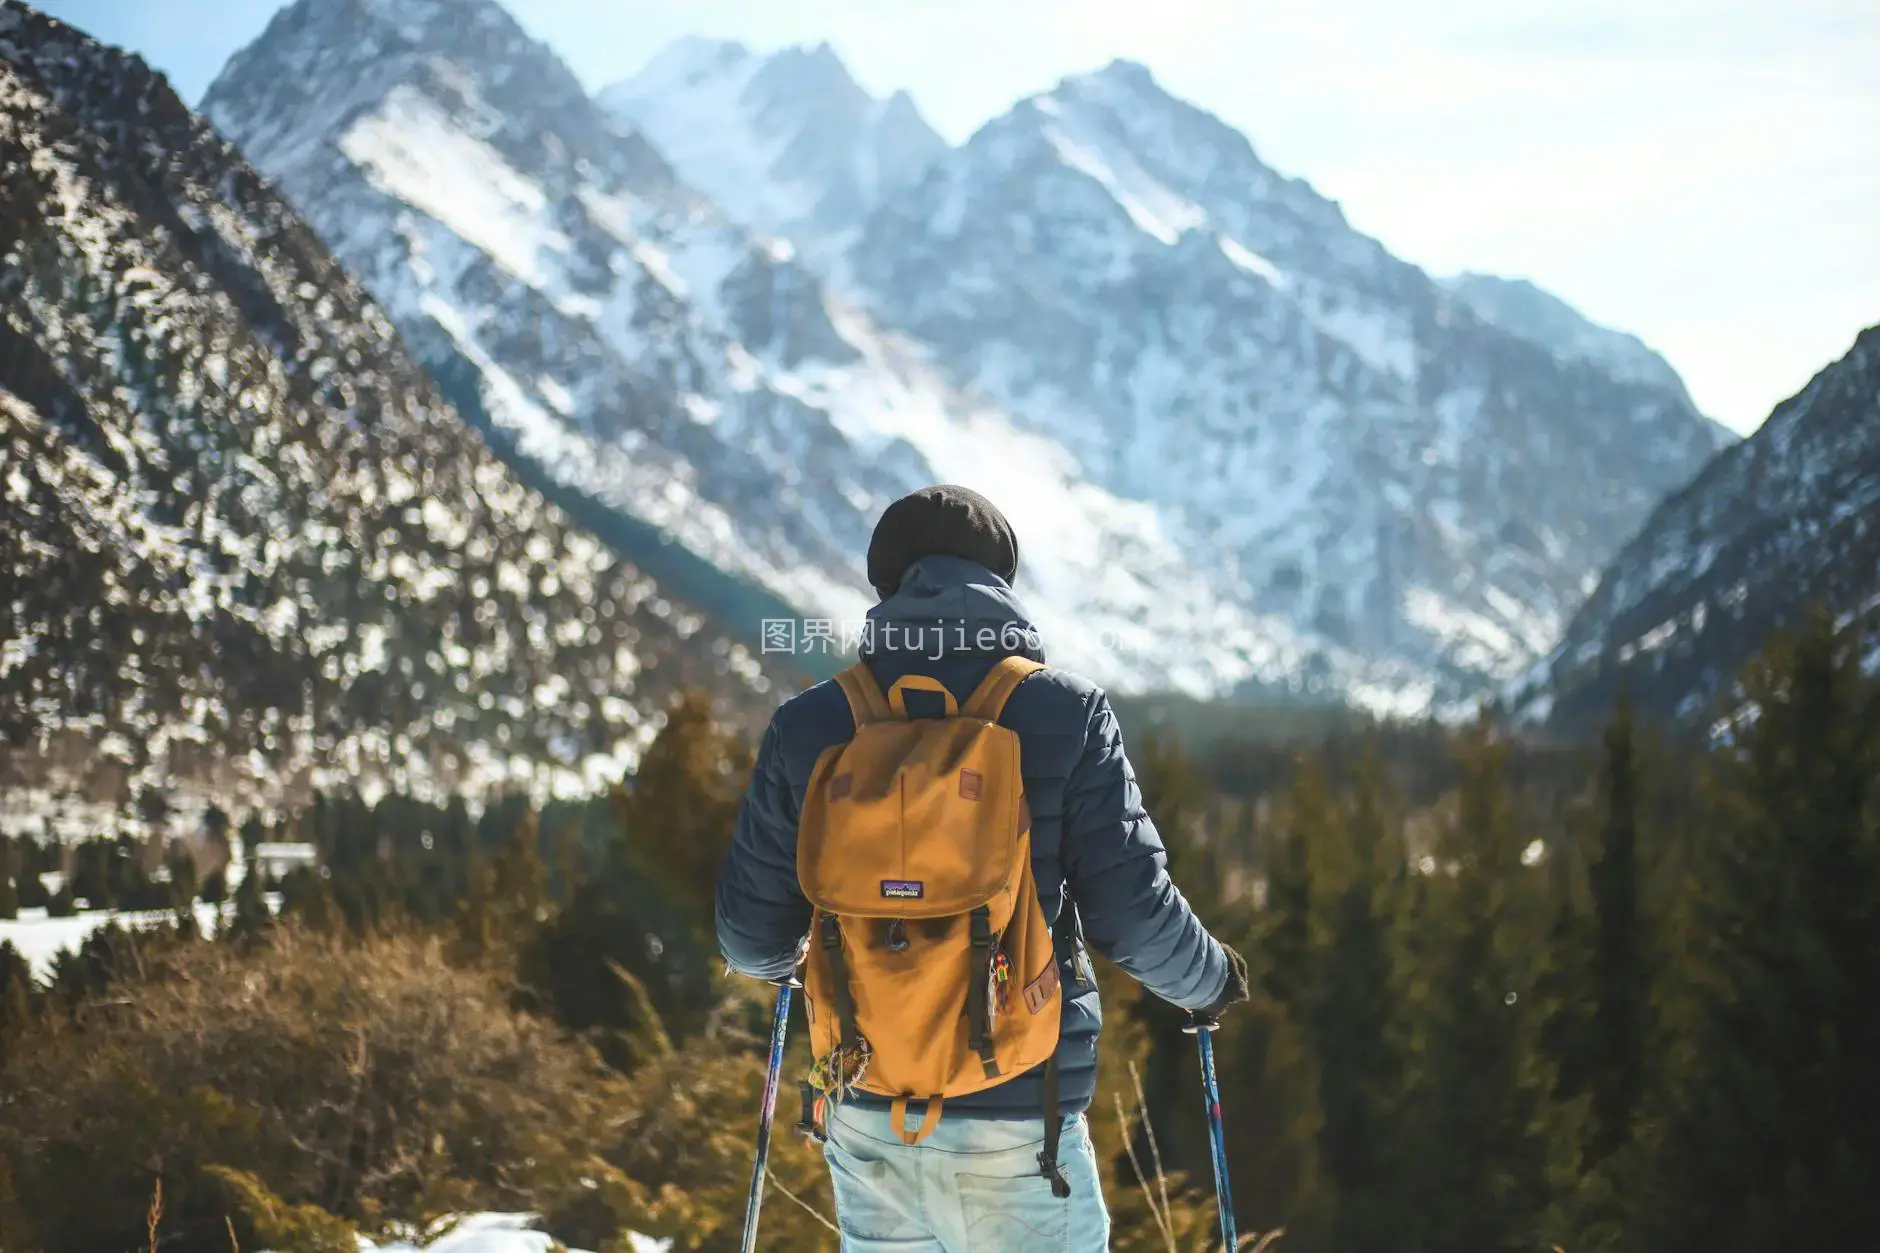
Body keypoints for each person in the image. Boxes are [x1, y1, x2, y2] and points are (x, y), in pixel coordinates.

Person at [716, 484, 1249, 1251]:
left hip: (869, 1109)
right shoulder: (1065, 713)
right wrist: (1210, 981)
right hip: (1020, 1116)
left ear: (886, 585)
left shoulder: (812, 725)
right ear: (1001, 582)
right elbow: (1132, 914)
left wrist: (806, 956)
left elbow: (748, 938)